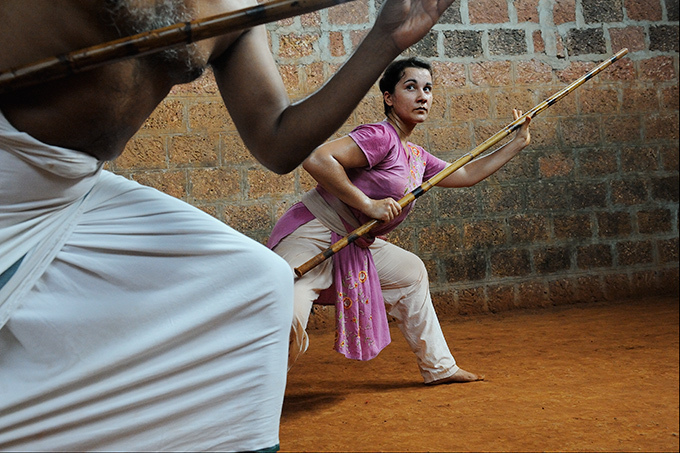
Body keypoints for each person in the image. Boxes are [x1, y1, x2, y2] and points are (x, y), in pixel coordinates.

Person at [0, 1, 457, 451]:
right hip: (7, 168)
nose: (422, 96)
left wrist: (386, 38)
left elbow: (278, 144)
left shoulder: (239, 10)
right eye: (412, 87)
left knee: (259, 281)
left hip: (76, 184)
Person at [268, 57, 531, 385]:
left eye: (428, 89)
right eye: (411, 87)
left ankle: (439, 367)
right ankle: (249, 396)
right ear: (388, 97)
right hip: (314, 233)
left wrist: (516, 144)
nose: (423, 96)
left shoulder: (416, 157)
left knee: (410, 273)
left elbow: (465, 173)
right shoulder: (380, 136)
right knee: (284, 313)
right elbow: (317, 158)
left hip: (355, 242)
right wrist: (368, 204)